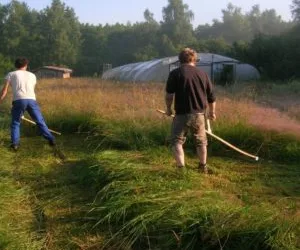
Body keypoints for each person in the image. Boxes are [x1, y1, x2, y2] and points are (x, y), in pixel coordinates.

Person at [165, 48, 216, 173]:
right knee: (201, 142)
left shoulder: (175, 73)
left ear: (180, 59)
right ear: (194, 60)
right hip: (199, 114)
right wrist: (212, 112)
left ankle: (181, 169)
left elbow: (169, 95)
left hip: (181, 114)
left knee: (177, 141)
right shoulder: (202, 74)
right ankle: (203, 166)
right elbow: (212, 97)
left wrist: (168, 109)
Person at [0, 57, 55, 151]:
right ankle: (51, 139)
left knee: (15, 123)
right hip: (31, 100)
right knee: (39, 121)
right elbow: (31, 88)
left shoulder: (11, 74)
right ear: (26, 65)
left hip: (18, 100)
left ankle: (15, 144)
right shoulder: (32, 75)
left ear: (15, 65)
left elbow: (4, 91)